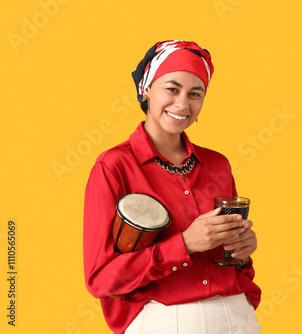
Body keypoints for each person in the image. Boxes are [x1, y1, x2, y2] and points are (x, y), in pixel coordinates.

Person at [83, 40, 261, 334]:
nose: (182, 104)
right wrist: (185, 244)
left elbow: (236, 264)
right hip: (165, 321)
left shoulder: (218, 165)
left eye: (195, 93)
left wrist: (243, 253)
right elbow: (101, 279)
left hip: (236, 317)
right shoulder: (113, 167)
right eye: (172, 89)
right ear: (146, 89)